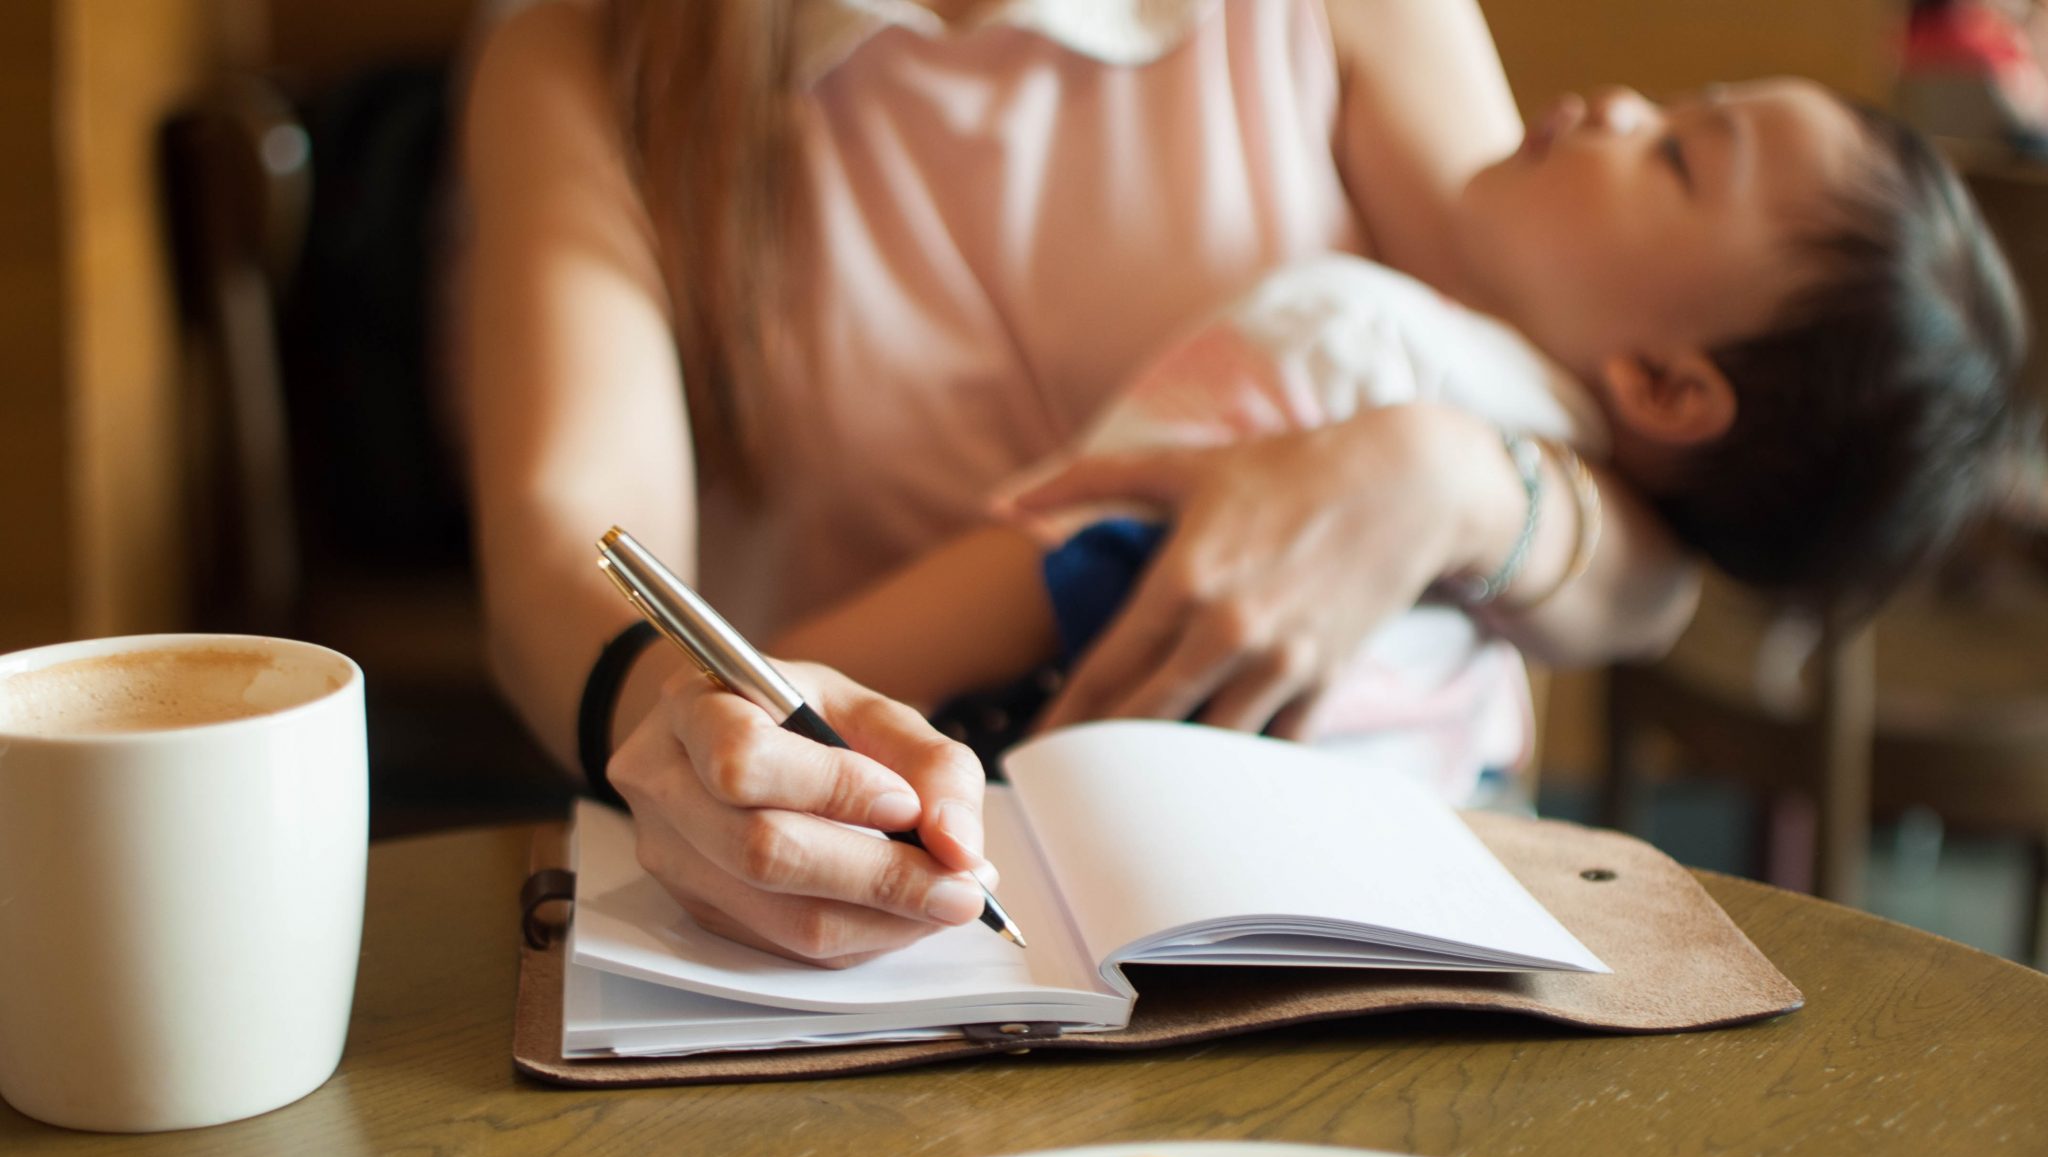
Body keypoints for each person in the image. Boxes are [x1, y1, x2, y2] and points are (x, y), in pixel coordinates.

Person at [461, 0, 1711, 968]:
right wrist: (682, 708)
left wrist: (1448, 482)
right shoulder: (595, 53)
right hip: (870, 900)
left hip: (1361, 896)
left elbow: (1645, 568)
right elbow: (563, 540)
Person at [776, 80, 2032, 795]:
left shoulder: (1351, 344)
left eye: (1675, 155)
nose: (1615, 104)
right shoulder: (1525, 567)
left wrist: (770, 684)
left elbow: (1060, 564)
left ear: (1661, 381)